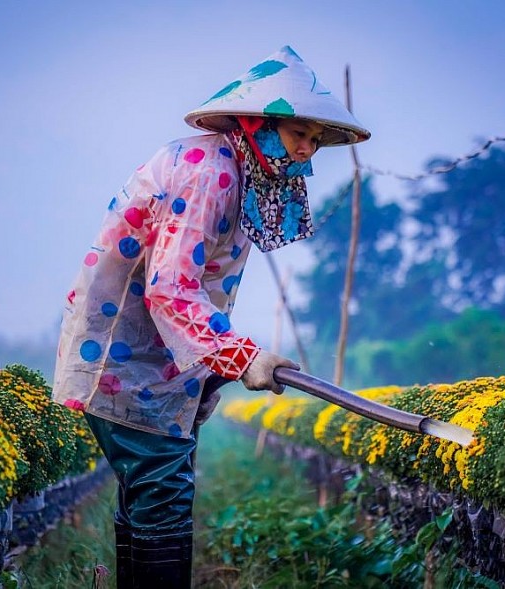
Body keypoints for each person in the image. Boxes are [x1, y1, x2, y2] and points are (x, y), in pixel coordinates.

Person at [53, 45, 370, 588]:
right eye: (300, 136)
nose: (307, 152)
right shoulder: (208, 172)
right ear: (260, 124)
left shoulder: (234, 173)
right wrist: (241, 355)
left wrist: (217, 365)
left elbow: (199, 289)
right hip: (127, 364)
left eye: (315, 141)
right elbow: (171, 290)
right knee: (163, 494)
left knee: (152, 494)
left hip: (156, 367)